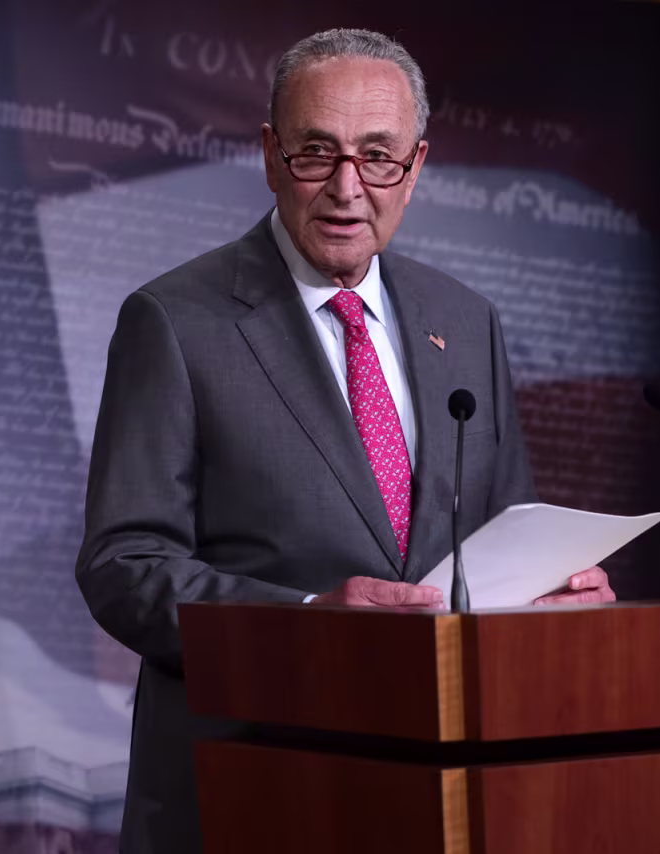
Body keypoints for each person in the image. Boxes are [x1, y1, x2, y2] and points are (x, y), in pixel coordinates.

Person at [74, 28, 615, 854]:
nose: (347, 188)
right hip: (251, 795)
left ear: (418, 166)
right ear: (269, 153)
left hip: (441, 799)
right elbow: (123, 566)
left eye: (378, 156)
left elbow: (499, 542)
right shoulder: (177, 323)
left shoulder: (465, 322)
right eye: (317, 153)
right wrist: (304, 622)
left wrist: (546, 604)